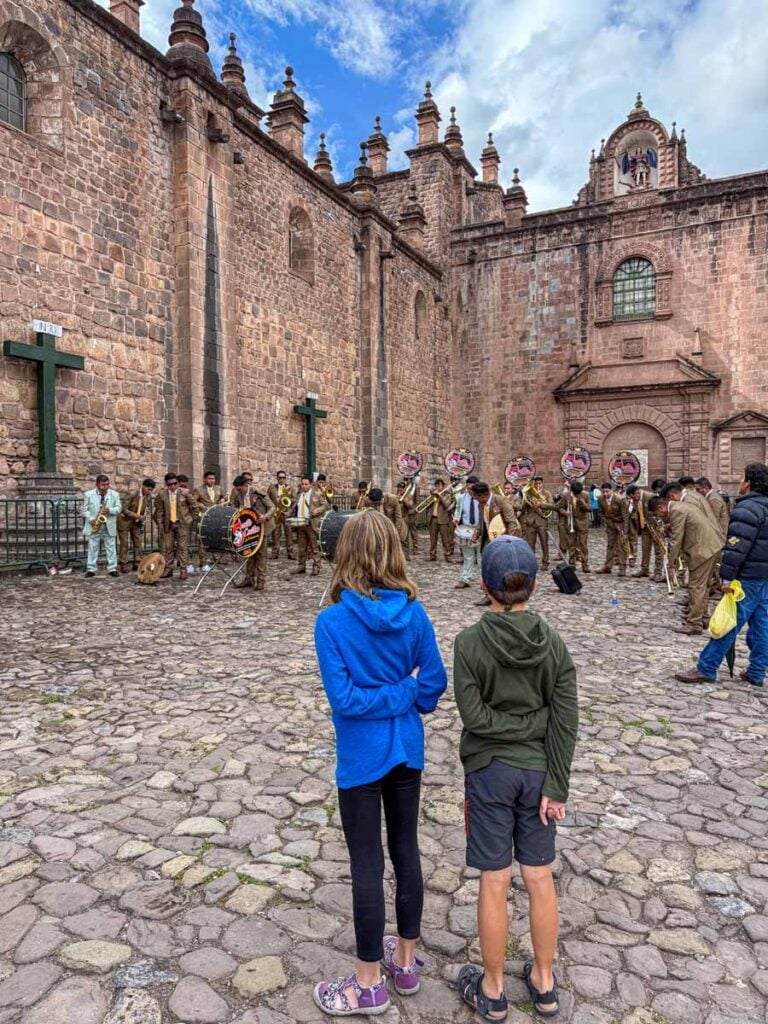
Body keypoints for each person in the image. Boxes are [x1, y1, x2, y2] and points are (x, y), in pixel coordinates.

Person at [313, 512, 447, 1017]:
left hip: (361, 757)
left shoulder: (331, 622)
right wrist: (405, 689)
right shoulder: (414, 614)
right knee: (406, 850)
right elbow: (430, 687)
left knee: (367, 863)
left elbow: (346, 699)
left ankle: (369, 981)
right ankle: (406, 962)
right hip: (406, 751)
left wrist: (388, 694)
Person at [453, 537, 578, 1020]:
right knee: (540, 876)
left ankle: (493, 988)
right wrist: (557, 785)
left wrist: (514, 729)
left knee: (494, 879)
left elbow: (475, 717)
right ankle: (544, 983)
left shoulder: (469, 643)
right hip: (538, 772)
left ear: (484, 585)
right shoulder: (554, 646)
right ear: (536, 585)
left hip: (488, 772)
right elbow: (564, 721)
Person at [676, 463, 768, 686]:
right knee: (762, 626)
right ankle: (756, 671)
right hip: (764, 576)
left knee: (728, 622)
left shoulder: (747, 509)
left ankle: (706, 667)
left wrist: (726, 577)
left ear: (747, 482)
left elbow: (737, 547)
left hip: (748, 577)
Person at [650, 484, 723, 634]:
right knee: (703, 586)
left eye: (658, 515)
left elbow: (676, 540)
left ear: (661, 509)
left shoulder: (676, 511)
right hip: (712, 545)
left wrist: (671, 565)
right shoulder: (681, 506)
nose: (660, 518)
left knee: (696, 586)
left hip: (703, 549)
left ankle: (694, 623)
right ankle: (703, 617)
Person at [230, 475, 274, 591]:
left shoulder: (258, 493)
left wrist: (265, 517)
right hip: (248, 528)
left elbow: (272, 507)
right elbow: (234, 507)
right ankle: (249, 579)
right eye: (237, 489)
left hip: (263, 526)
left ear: (246, 486)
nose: (238, 492)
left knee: (261, 555)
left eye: (240, 489)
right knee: (249, 553)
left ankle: (261, 580)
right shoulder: (237, 493)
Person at [154, 472, 194, 579]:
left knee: (182, 547)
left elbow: (194, 506)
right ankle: (168, 569)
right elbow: (159, 511)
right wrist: (160, 524)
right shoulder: (162, 494)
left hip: (182, 524)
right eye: (170, 484)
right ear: (166, 484)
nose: (172, 486)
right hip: (168, 524)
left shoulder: (185, 492)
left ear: (177, 483)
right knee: (168, 547)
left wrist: (190, 519)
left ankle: (183, 569)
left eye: (174, 483)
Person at [82, 474, 122, 578]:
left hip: (109, 524)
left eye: (107, 484)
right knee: (92, 546)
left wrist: (110, 510)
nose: (106, 487)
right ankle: (91, 569)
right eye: (103, 485)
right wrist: (91, 519)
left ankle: (112, 568)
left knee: (111, 547)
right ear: (97, 485)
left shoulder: (115, 494)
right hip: (95, 524)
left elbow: (118, 508)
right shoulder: (88, 494)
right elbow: (85, 510)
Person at [294, 474, 329, 576]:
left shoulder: (317, 493)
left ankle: (316, 567)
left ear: (310, 484)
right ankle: (301, 566)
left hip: (312, 523)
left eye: (306, 484)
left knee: (315, 547)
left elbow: (326, 505)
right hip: (301, 523)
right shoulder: (299, 494)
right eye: (302, 484)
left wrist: (317, 510)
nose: (304, 486)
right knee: (301, 547)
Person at [118, 478, 155, 573]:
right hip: (125, 521)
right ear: (143, 486)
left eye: (151, 490)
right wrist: (137, 516)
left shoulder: (148, 496)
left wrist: (143, 517)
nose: (150, 492)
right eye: (148, 489)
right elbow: (124, 509)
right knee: (124, 544)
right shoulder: (132, 494)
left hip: (136, 523)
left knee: (138, 543)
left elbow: (146, 508)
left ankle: (137, 563)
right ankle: (123, 564)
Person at [626, 483, 661, 581]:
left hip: (655, 528)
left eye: (632, 497)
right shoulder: (635, 501)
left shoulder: (650, 497)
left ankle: (658, 572)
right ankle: (644, 569)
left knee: (658, 550)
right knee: (645, 549)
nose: (632, 499)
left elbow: (659, 513)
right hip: (645, 528)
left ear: (636, 493)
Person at [518, 476, 554, 568]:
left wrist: (541, 504)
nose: (538, 485)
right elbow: (523, 508)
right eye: (536, 484)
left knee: (544, 542)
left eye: (539, 484)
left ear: (542, 484)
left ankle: (545, 562)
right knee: (530, 543)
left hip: (542, 521)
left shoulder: (547, 493)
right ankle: (531, 562)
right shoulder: (529, 494)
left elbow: (552, 505)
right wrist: (525, 499)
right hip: (530, 522)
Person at [192, 471, 225, 571]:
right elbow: (193, 501)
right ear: (204, 479)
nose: (211, 481)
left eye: (213, 479)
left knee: (217, 536)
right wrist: (200, 505)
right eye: (209, 479)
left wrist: (223, 499)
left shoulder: (219, 488)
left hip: (216, 516)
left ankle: (217, 558)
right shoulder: (198, 490)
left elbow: (225, 496)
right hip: (204, 516)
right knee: (203, 538)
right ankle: (203, 561)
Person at [597, 482, 629, 575]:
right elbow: (600, 513)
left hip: (621, 524)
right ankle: (607, 566)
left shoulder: (620, 499)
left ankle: (622, 568)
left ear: (611, 490)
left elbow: (625, 516)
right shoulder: (600, 499)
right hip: (610, 525)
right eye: (603, 492)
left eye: (607, 492)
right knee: (610, 545)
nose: (605, 494)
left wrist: (625, 531)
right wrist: (608, 522)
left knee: (622, 546)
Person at [268, 470, 296, 561]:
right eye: (280, 478)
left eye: (284, 478)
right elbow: (267, 499)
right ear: (277, 478)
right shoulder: (272, 488)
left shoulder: (290, 488)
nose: (282, 479)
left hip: (286, 514)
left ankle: (290, 553)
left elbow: (295, 501)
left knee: (289, 534)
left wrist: (289, 510)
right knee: (275, 534)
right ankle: (275, 553)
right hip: (276, 514)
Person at [427, 478, 455, 563]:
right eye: (436, 485)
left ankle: (448, 556)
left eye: (439, 485)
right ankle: (432, 556)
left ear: (443, 486)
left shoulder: (447, 494)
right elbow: (427, 506)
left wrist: (440, 496)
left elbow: (447, 505)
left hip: (443, 520)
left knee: (445, 539)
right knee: (433, 540)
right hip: (433, 519)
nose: (437, 487)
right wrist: (432, 497)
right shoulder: (433, 496)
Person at [566, 480, 591, 572]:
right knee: (571, 544)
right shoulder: (567, 495)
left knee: (583, 544)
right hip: (571, 523)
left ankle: (585, 564)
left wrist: (583, 503)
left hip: (582, 523)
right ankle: (572, 563)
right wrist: (564, 512)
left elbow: (590, 508)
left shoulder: (586, 495)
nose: (576, 494)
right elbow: (558, 506)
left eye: (578, 493)